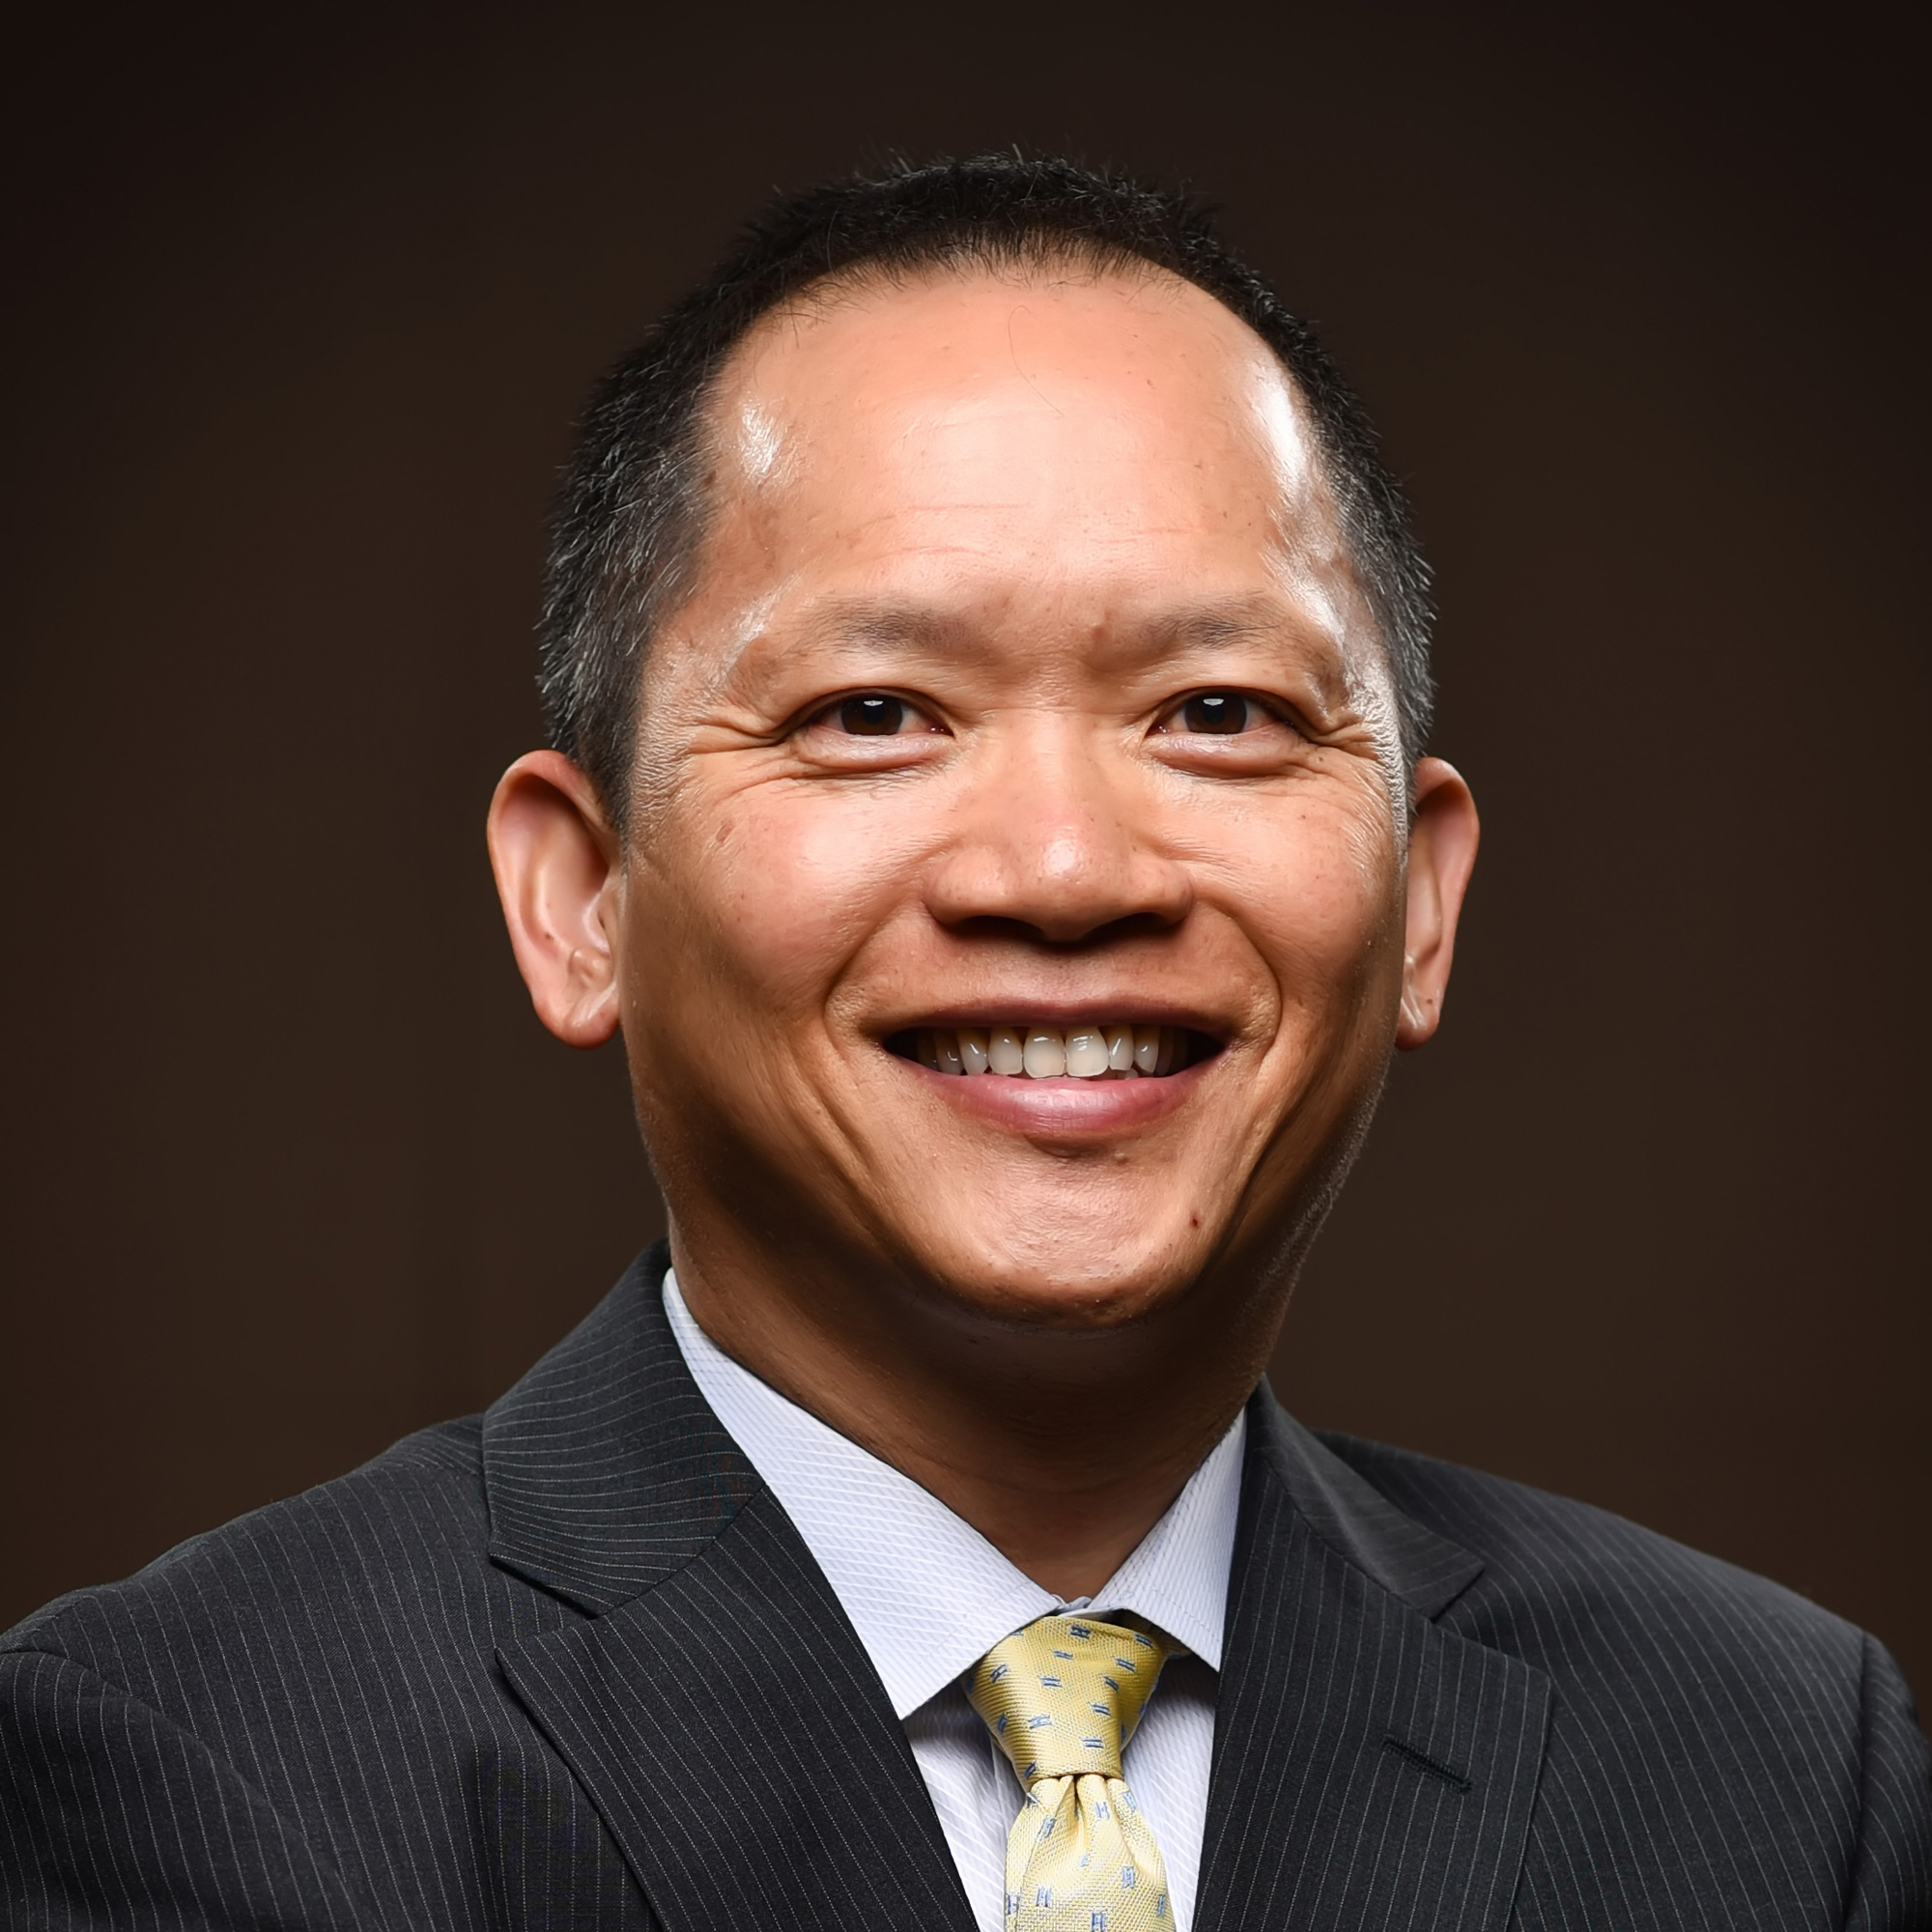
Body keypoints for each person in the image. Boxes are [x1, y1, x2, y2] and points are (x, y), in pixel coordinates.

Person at [2, 155, 1926, 1932]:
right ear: (577, 896)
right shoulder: (197, 1767)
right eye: (871, 712)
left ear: (1419, 901)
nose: (1067, 869)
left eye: (1222, 711)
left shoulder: (1773, 1769)